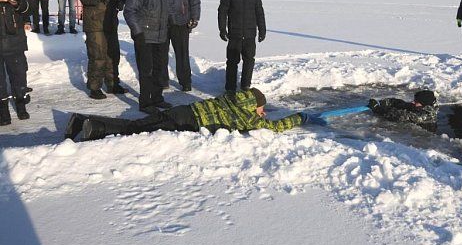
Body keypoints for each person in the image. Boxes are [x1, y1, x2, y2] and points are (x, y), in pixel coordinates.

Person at [64, 88, 319, 141]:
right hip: (189, 122)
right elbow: (274, 128)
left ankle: (84, 122)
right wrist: (301, 117)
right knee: (136, 130)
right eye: (262, 108)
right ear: (255, 106)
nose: (263, 113)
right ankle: (94, 129)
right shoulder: (249, 118)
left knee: (138, 125)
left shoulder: (232, 97)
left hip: (185, 110)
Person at [124, 0, 172, 114]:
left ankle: (157, 98)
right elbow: (130, 11)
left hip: (161, 36)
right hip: (144, 36)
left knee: (160, 68)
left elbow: (165, 11)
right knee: (146, 71)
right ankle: (145, 102)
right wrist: (138, 32)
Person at [79, 0, 128, 99]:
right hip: (95, 23)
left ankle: (113, 84)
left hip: (110, 21)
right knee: (98, 55)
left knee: (113, 55)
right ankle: (95, 87)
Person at [156, 0, 201, 92]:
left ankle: (185, 81)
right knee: (161, 53)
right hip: (161, 21)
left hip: (181, 21)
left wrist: (195, 17)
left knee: (182, 53)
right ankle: (163, 81)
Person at [218, 0, 266, 92]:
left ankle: (245, 85)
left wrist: (262, 30)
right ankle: (230, 87)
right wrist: (222, 29)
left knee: (249, 60)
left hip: (250, 34)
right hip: (235, 34)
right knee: (232, 62)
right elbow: (222, 12)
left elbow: (260, 13)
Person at [0, 0, 32, 125]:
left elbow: (28, 9)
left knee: (19, 75)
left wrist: (17, 2)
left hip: (14, 40)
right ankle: (3, 111)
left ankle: (21, 105)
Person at [368, 90, 438, 127]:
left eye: (416, 101)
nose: (413, 102)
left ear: (423, 103)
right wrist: (385, 102)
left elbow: (399, 116)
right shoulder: (422, 106)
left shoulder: (426, 115)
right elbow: (402, 104)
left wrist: (378, 109)